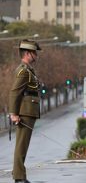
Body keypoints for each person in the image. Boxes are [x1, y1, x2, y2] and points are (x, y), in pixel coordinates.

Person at [9, 39, 42, 183]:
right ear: (28, 53)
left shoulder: (29, 70)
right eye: (34, 52)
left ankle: (19, 174)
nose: (36, 55)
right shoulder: (23, 71)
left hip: (29, 111)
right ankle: (19, 177)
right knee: (21, 145)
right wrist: (13, 113)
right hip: (24, 112)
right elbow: (15, 92)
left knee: (23, 145)